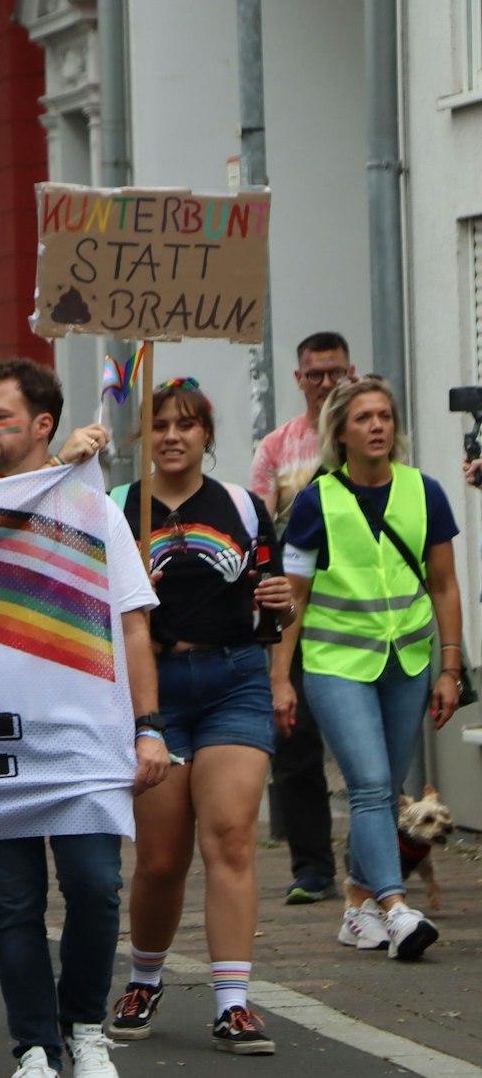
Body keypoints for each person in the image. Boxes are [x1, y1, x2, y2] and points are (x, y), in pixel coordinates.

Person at [0, 358, 165, 1078]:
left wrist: (149, 723)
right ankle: (33, 1045)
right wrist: (54, 473)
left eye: (1, 417)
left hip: (80, 733)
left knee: (96, 887)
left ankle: (85, 1026)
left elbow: (130, 620)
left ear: (41, 424)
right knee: (16, 901)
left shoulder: (93, 507)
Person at [106, 380, 293, 1055]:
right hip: (153, 692)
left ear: (206, 435)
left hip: (232, 681)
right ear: (143, 435)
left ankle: (234, 1003)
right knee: (159, 859)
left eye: (186, 424)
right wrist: (127, 596)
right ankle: (144, 978)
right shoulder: (119, 509)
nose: (172, 435)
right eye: (159, 424)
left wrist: (281, 602)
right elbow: (89, 614)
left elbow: (273, 609)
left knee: (232, 837)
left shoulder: (243, 505)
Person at [271, 375, 461, 963]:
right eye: (363, 418)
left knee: (382, 789)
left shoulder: (424, 492)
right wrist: (280, 677)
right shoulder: (313, 501)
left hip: (408, 659)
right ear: (341, 433)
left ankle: (357, 909)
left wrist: (449, 666)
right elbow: (293, 598)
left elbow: (445, 585)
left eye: (384, 416)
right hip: (336, 662)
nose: (377, 426)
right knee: (373, 785)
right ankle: (397, 908)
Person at [251, 332, 353, 905]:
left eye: (335, 372)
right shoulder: (277, 446)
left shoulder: (368, 429)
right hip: (296, 606)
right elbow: (259, 527)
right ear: (298, 379)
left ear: (350, 370)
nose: (325, 383)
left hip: (360, 608)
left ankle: (373, 866)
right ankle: (312, 866)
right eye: (315, 374)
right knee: (296, 739)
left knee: (370, 753)